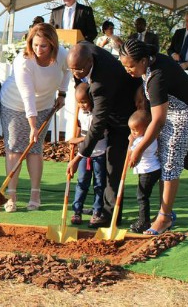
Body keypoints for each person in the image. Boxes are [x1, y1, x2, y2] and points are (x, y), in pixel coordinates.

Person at [119, 39, 188, 235]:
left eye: (131, 66)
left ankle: (165, 217)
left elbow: (158, 120)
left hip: (186, 112)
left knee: (170, 163)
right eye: (124, 65)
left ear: (143, 60)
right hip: (171, 111)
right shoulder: (151, 64)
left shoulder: (157, 77)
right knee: (163, 159)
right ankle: (165, 211)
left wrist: (139, 149)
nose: (128, 70)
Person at [66, 43, 141, 227]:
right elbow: (80, 84)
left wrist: (79, 156)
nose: (76, 73)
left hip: (121, 115)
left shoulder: (101, 81)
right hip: (105, 108)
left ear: (90, 61)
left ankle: (109, 215)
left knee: (112, 166)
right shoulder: (82, 53)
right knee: (100, 171)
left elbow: (98, 122)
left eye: (80, 69)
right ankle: (100, 207)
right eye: (72, 70)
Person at [0, 23, 69, 212]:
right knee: (14, 147)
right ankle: (11, 196)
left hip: (45, 105)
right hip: (14, 104)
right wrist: (32, 126)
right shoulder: (24, 61)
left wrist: (62, 94)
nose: (38, 50)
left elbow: (67, 71)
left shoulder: (61, 54)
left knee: (35, 149)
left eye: (43, 46)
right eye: (35, 45)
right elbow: (27, 95)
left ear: (52, 44)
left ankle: (35, 194)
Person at [69, 82, 108, 226]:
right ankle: (77, 211)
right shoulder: (79, 113)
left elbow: (95, 135)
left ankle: (97, 211)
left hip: (99, 153)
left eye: (84, 102)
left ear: (91, 99)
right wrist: (76, 141)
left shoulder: (97, 114)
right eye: (79, 102)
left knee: (99, 184)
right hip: (84, 154)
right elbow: (79, 129)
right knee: (82, 183)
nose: (82, 105)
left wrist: (78, 139)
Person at [126, 109, 161, 233]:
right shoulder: (148, 137)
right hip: (151, 169)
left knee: (142, 196)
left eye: (135, 130)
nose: (133, 133)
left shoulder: (142, 141)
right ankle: (145, 219)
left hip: (148, 171)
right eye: (131, 130)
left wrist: (130, 140)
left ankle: (143, 222)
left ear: (147, 128)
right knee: (143, 195)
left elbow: (130, 153)